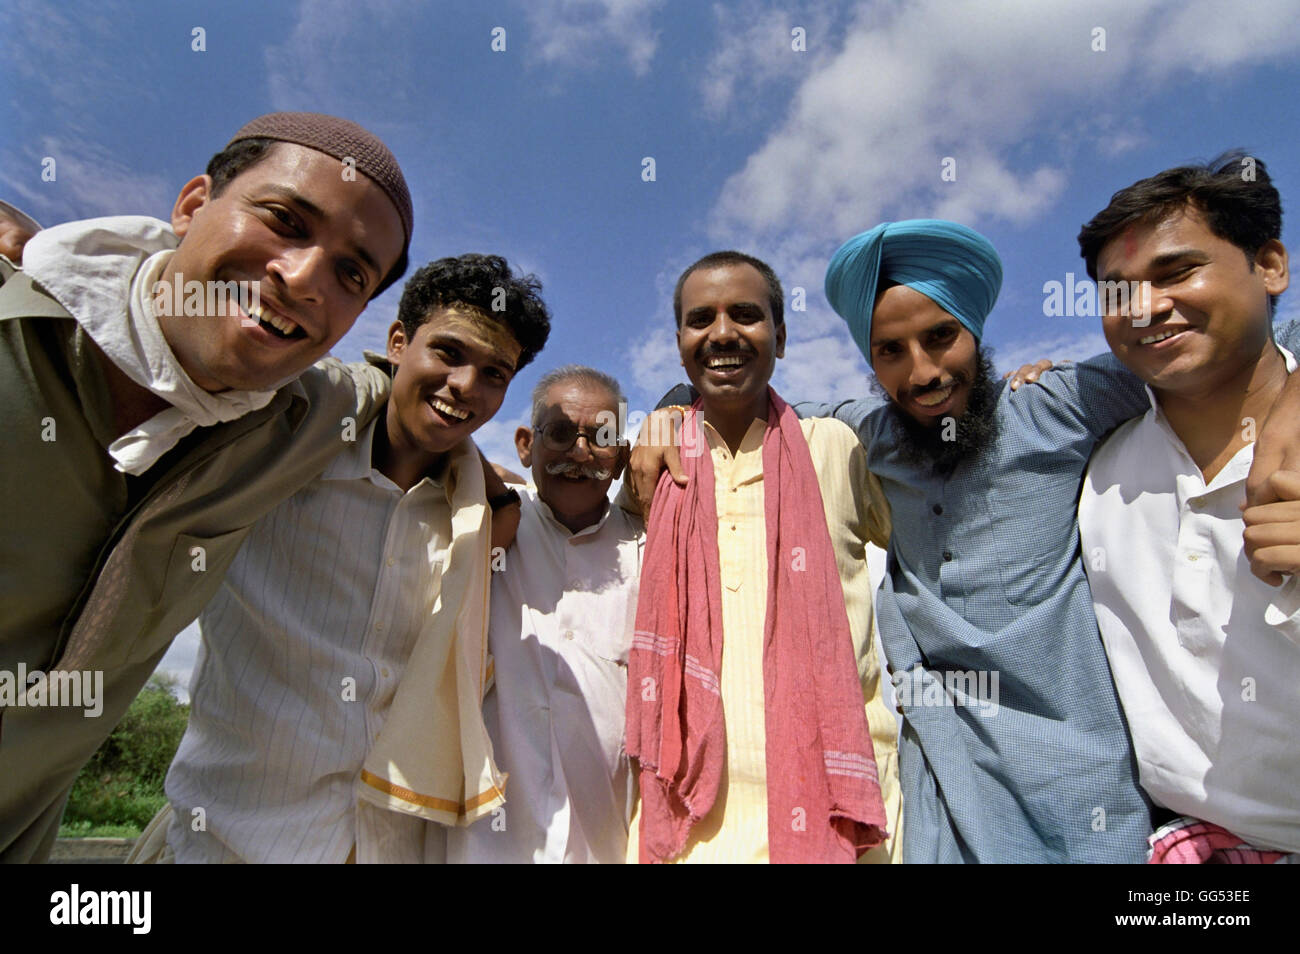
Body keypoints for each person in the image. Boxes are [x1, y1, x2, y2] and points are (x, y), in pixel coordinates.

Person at [631, 221, 1300, 862]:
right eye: (890, 352)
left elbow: (1237, 345)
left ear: (977, 332)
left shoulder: (1058, 407)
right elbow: (740, 396)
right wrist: (666, 409)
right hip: (941, 783)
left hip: (1080, 780)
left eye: (941, 337)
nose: (921, 373)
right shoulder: (868, 437)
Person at [0, 111, 413, 863]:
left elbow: (400, 386)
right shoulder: (12, 317)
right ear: (193, 205)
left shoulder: (296, 420)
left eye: (352, 274)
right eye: (284, 220)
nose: (300, 279)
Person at [142, 254, 550, 863]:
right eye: (448, 353)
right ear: (397, 342)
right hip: (226, 839)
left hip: (391, 846)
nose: (467, 386)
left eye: (495, 373)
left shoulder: (483, 514)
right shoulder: (274, 449)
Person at [625, 251, 901, 864]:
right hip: (689, 820)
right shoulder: (653, 465)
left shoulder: (833, 447)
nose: (722, 332)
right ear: (678, 344)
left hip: (840, 810)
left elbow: (935, 528)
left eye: (746, 315)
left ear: (781, 335)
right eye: (702, 319)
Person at [1077, 153, 1300, 862]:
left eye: (1176, 273)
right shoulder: (1097, 479)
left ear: (1269, 266)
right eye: (1117, 292)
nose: (1143, 308)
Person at [437, 365, 643, 863]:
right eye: (560, 432)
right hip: (484, 846)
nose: (579, 453)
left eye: (601, 438)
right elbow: (439, 445)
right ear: (526, 444)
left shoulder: (651, 550)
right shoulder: (486, 526)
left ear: (620, 460)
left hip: (608, 847)